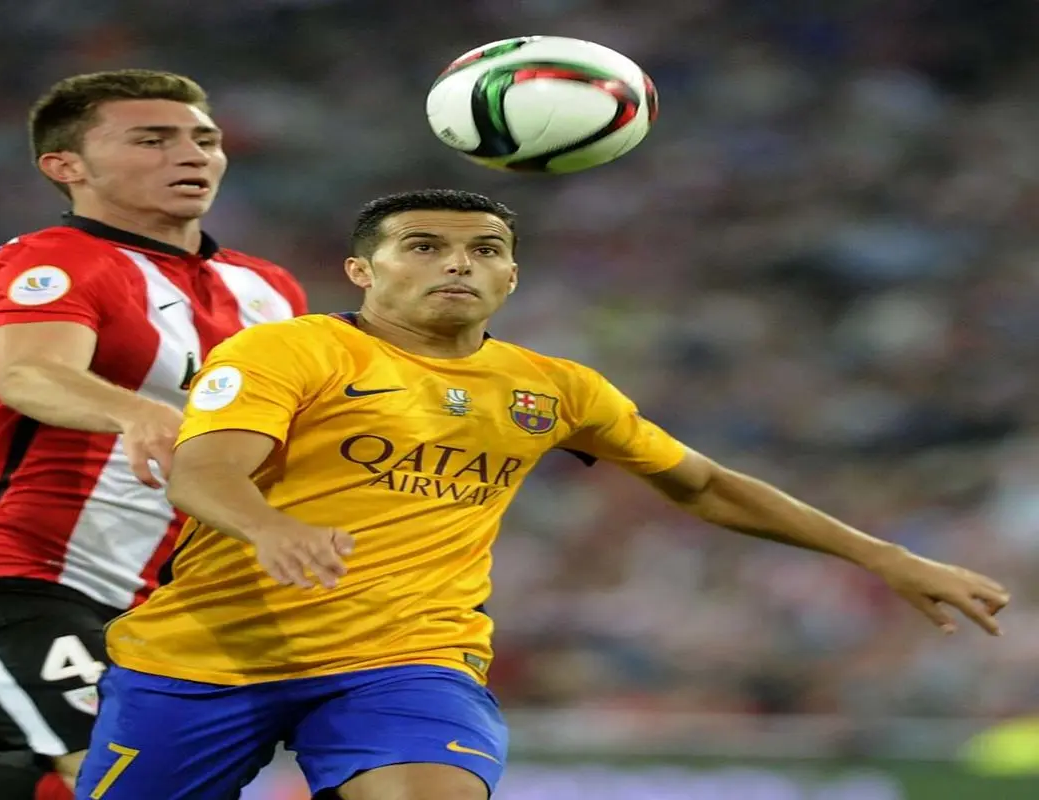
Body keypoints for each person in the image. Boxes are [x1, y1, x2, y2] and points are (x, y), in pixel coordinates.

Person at [74, 188, 1009, 800]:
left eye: (484, 250)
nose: (458, 264)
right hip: (206, 656)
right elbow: (204, 468)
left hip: (407, 659)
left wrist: (885, 556)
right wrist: (269, 526)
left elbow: (705, 486)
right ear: (363, 270)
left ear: (511, 275)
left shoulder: (554, 388)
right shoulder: (292, 349)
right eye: (425, 246)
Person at [0, 69, 307, 800]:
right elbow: (31, 374)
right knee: (127, 774)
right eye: (152, 140)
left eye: (204, 139)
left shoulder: (270, 289)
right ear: (67, 167)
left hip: (146, 609)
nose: (192, 155)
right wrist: (135, 411)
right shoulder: (56, 259)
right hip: (21, 575)